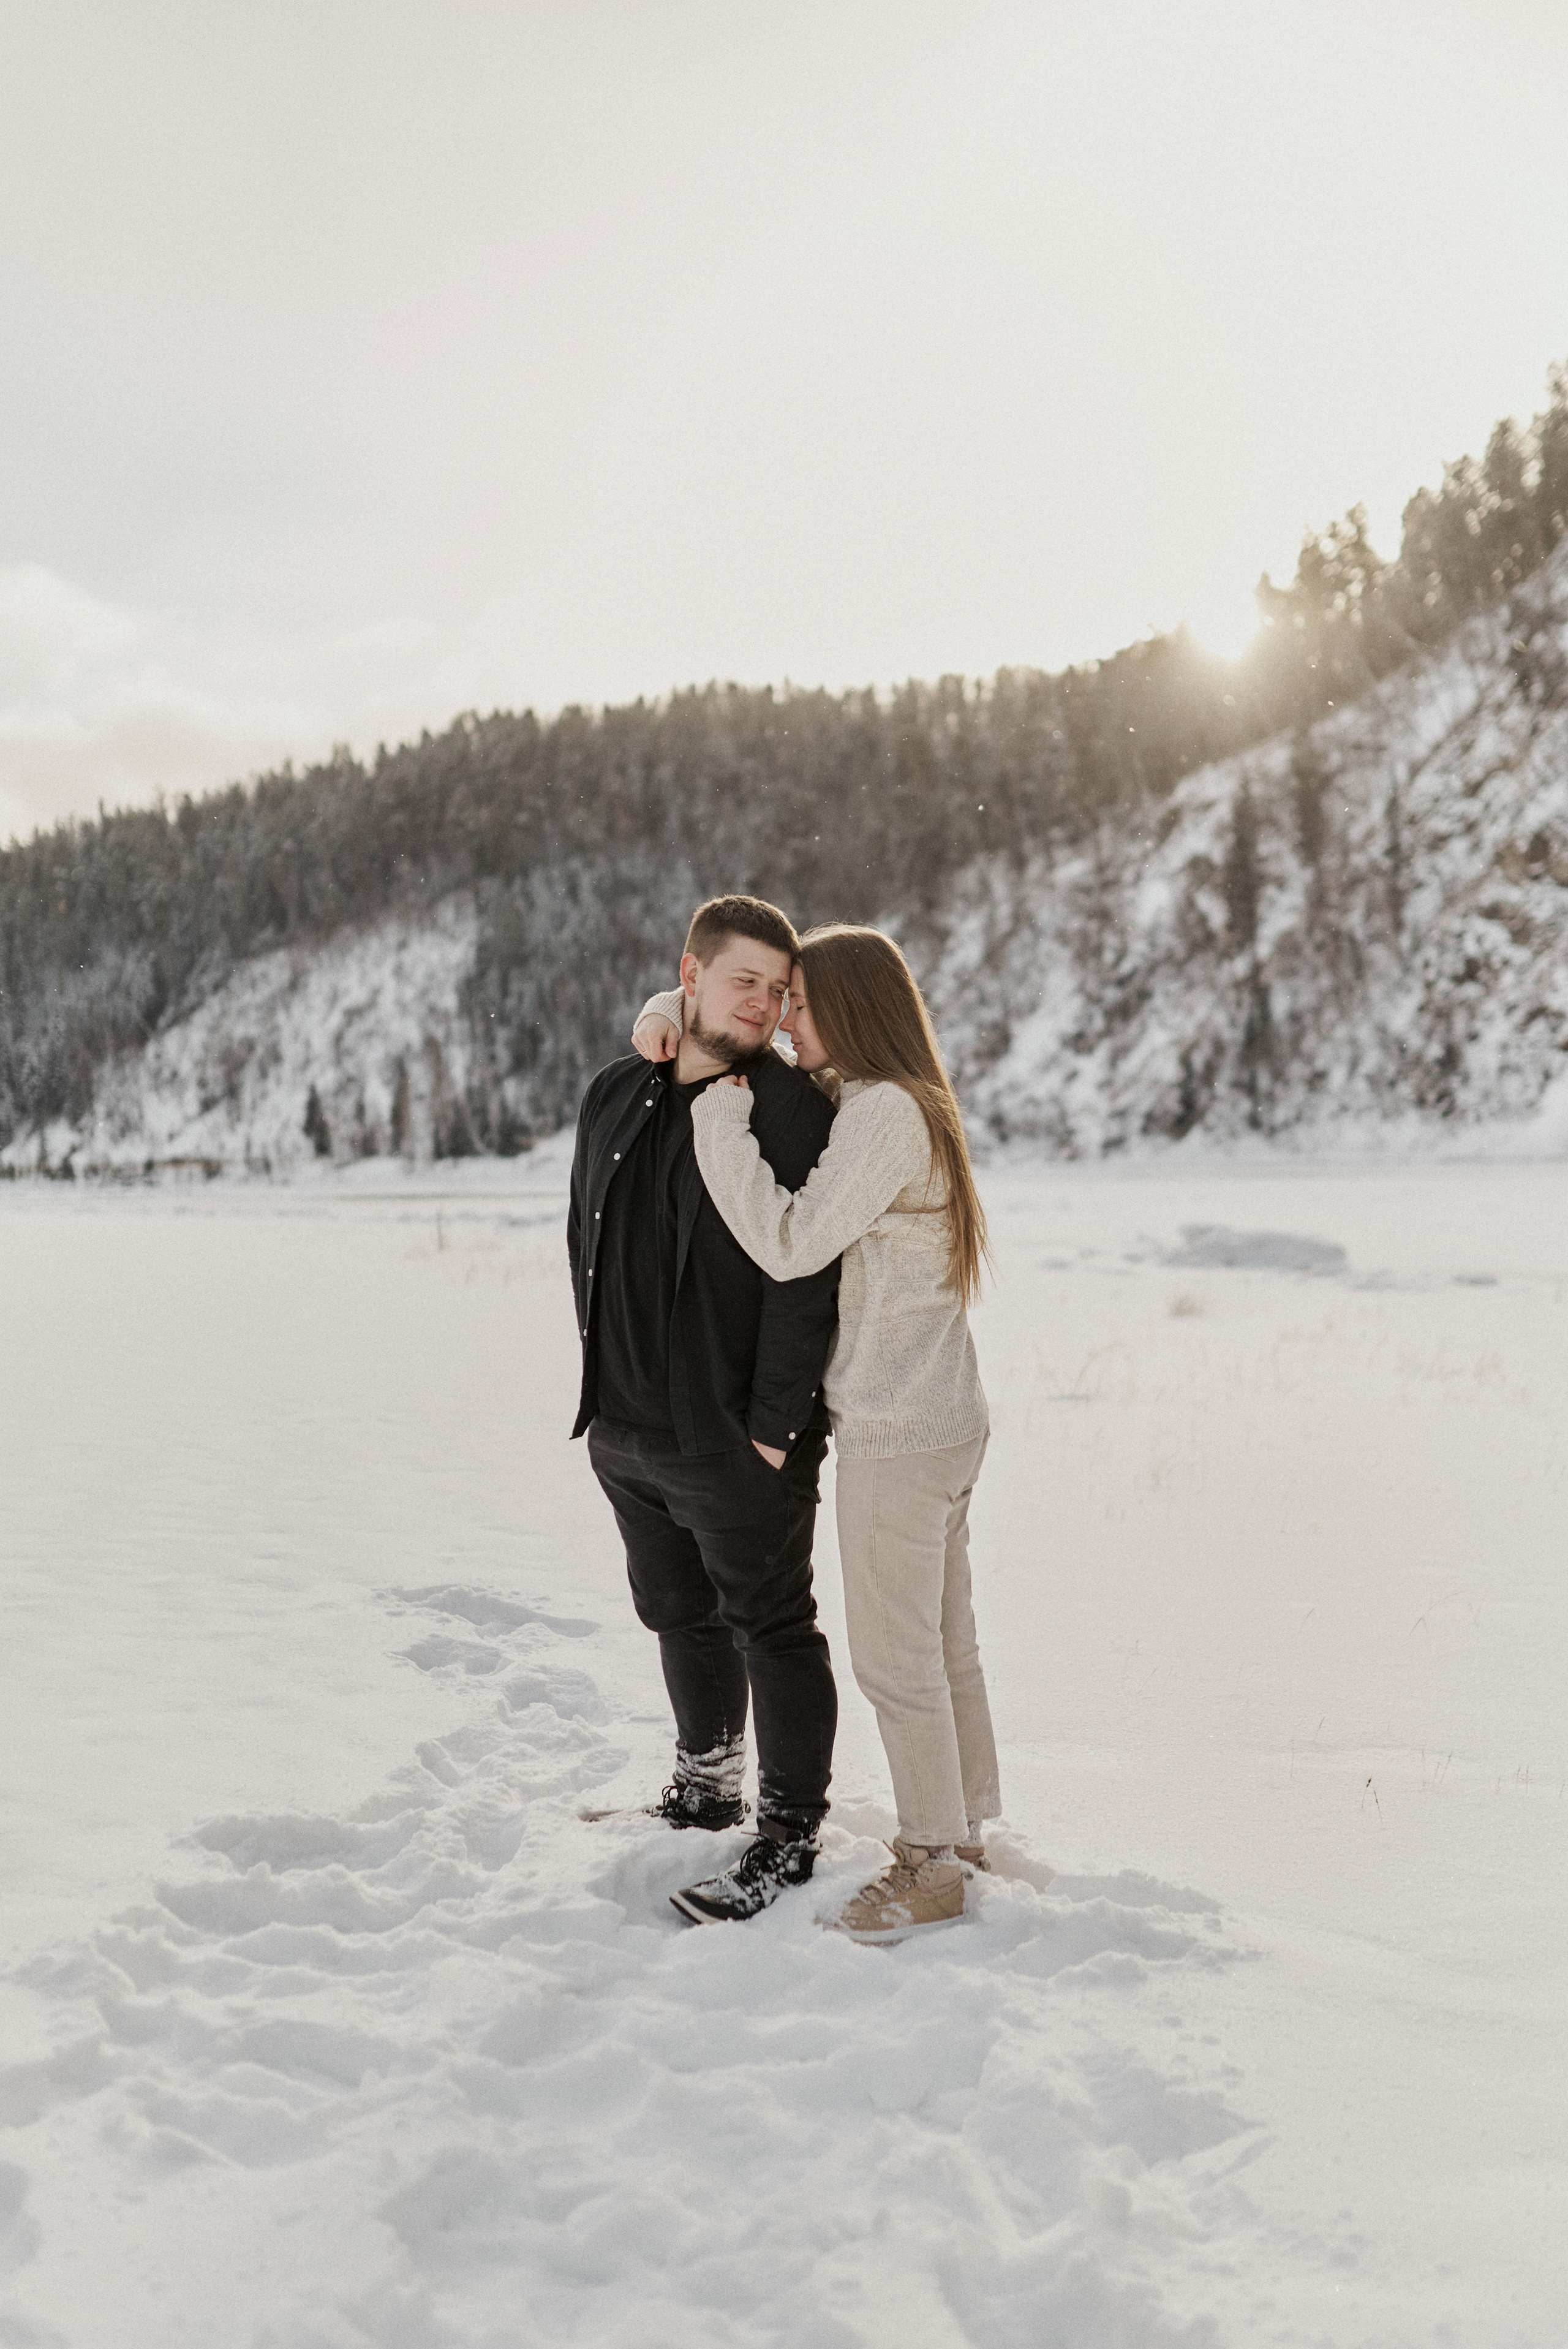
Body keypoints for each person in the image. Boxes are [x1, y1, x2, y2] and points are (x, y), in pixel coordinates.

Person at [632, 924, 999, 1941]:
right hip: (942, 1419)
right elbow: (715, 1039)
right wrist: (667, 1016)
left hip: (897, 1428)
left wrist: (717, 1126)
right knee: (945, 1644)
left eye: (799, 1002)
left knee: (896, 1658)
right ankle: (964, 1833)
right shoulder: (897, 1100)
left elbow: (792, 1243)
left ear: (852, 1008)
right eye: (776, 1001)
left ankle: (930, 1864)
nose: (783, 1021)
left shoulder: (882, 1112)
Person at [570, 895, 842, 1925]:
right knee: (675, 1613)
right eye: (747, 982)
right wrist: (603, 1396)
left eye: (779, 991)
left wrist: (775, 1425)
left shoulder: (786, 1110)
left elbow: (804, 1274)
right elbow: (582, 1235)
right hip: (629, 1428)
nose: (767, 1006)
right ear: (690, 972)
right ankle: (707, 1782)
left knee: (771, 1624)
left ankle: (788, 1832)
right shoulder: (615, 1090)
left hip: (738, 1437)